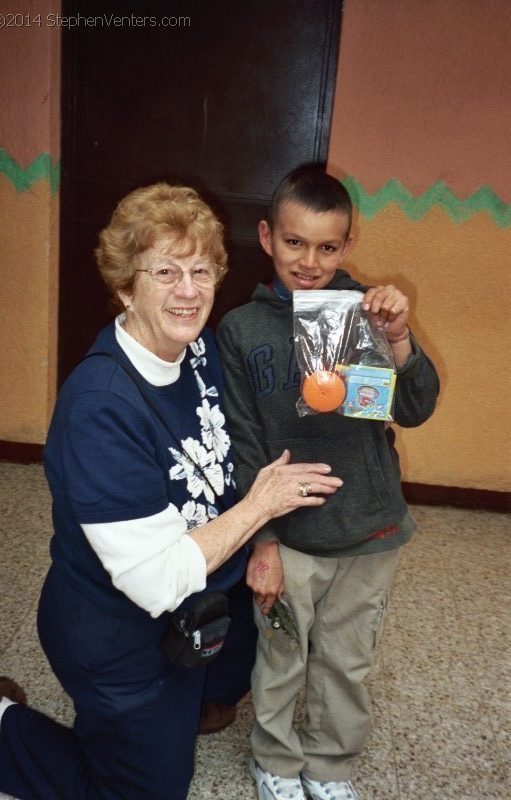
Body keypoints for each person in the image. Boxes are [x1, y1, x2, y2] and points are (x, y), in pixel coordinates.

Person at [0, 182, 344, 800]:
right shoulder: (100, 408)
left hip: (200, 609)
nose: (189, 290)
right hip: (121, 630)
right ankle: (1, 715)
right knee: (150, 791)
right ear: (125, 285)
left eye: (201, 270)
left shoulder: (196, 349)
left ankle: (182, 705)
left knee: (256, 633)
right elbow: (155, 582)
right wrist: (261, 507)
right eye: (165, 271)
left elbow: (309, 300)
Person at [216, 164, 440, 800]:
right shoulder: (240, 330)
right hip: (289, 534)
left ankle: (330, 765)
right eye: (294, 242)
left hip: (372, 527)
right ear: (266, 236)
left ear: (347, 246)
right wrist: (262, 541)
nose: (309, 261)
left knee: (347, 661)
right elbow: (243, 442)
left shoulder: (367, 313)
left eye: (327, 246)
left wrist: (397, 339)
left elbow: (415, 408)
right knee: (283, 655)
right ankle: (276, 763)